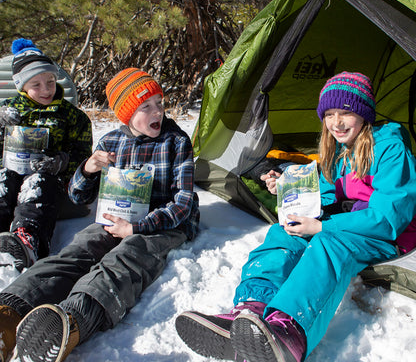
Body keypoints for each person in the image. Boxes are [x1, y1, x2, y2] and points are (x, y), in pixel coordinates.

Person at [175, 71, 416, 362]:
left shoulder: (390, 149)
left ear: (364, 113)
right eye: (329, 114)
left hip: (387, 236)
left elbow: (389, 217)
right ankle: (251, 309)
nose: (336, 122)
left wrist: (324, 226)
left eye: (346, 112)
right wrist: (290, 187)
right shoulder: (340, 150)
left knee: (329, 243)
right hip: (349, 222)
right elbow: (324, 193)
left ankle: (289, 330)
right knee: (285, 230)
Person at [0, 68, 200, 362]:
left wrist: (137, 228)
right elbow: (78, 196)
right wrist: (88, 169)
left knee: (127, 257)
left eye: (159, 102)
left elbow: (182, 203)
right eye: (146, 106)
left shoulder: (176, 141)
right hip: (115, 218)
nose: (157, 111)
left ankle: (71, 320)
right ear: (126, 114)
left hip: (163, 222)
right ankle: (10, 311)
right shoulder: (110, 143)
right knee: (79, 249)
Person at [0, 38, 92, 271]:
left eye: (50, 81)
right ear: (21, 86)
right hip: (11, 174)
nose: (46, 90)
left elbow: (84, 159)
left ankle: (27, 241)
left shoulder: (73, 117)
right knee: (3, 183)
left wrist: (62, 163)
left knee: (39, 183)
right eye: (36, 85)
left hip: (51, 182)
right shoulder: (8, 112)